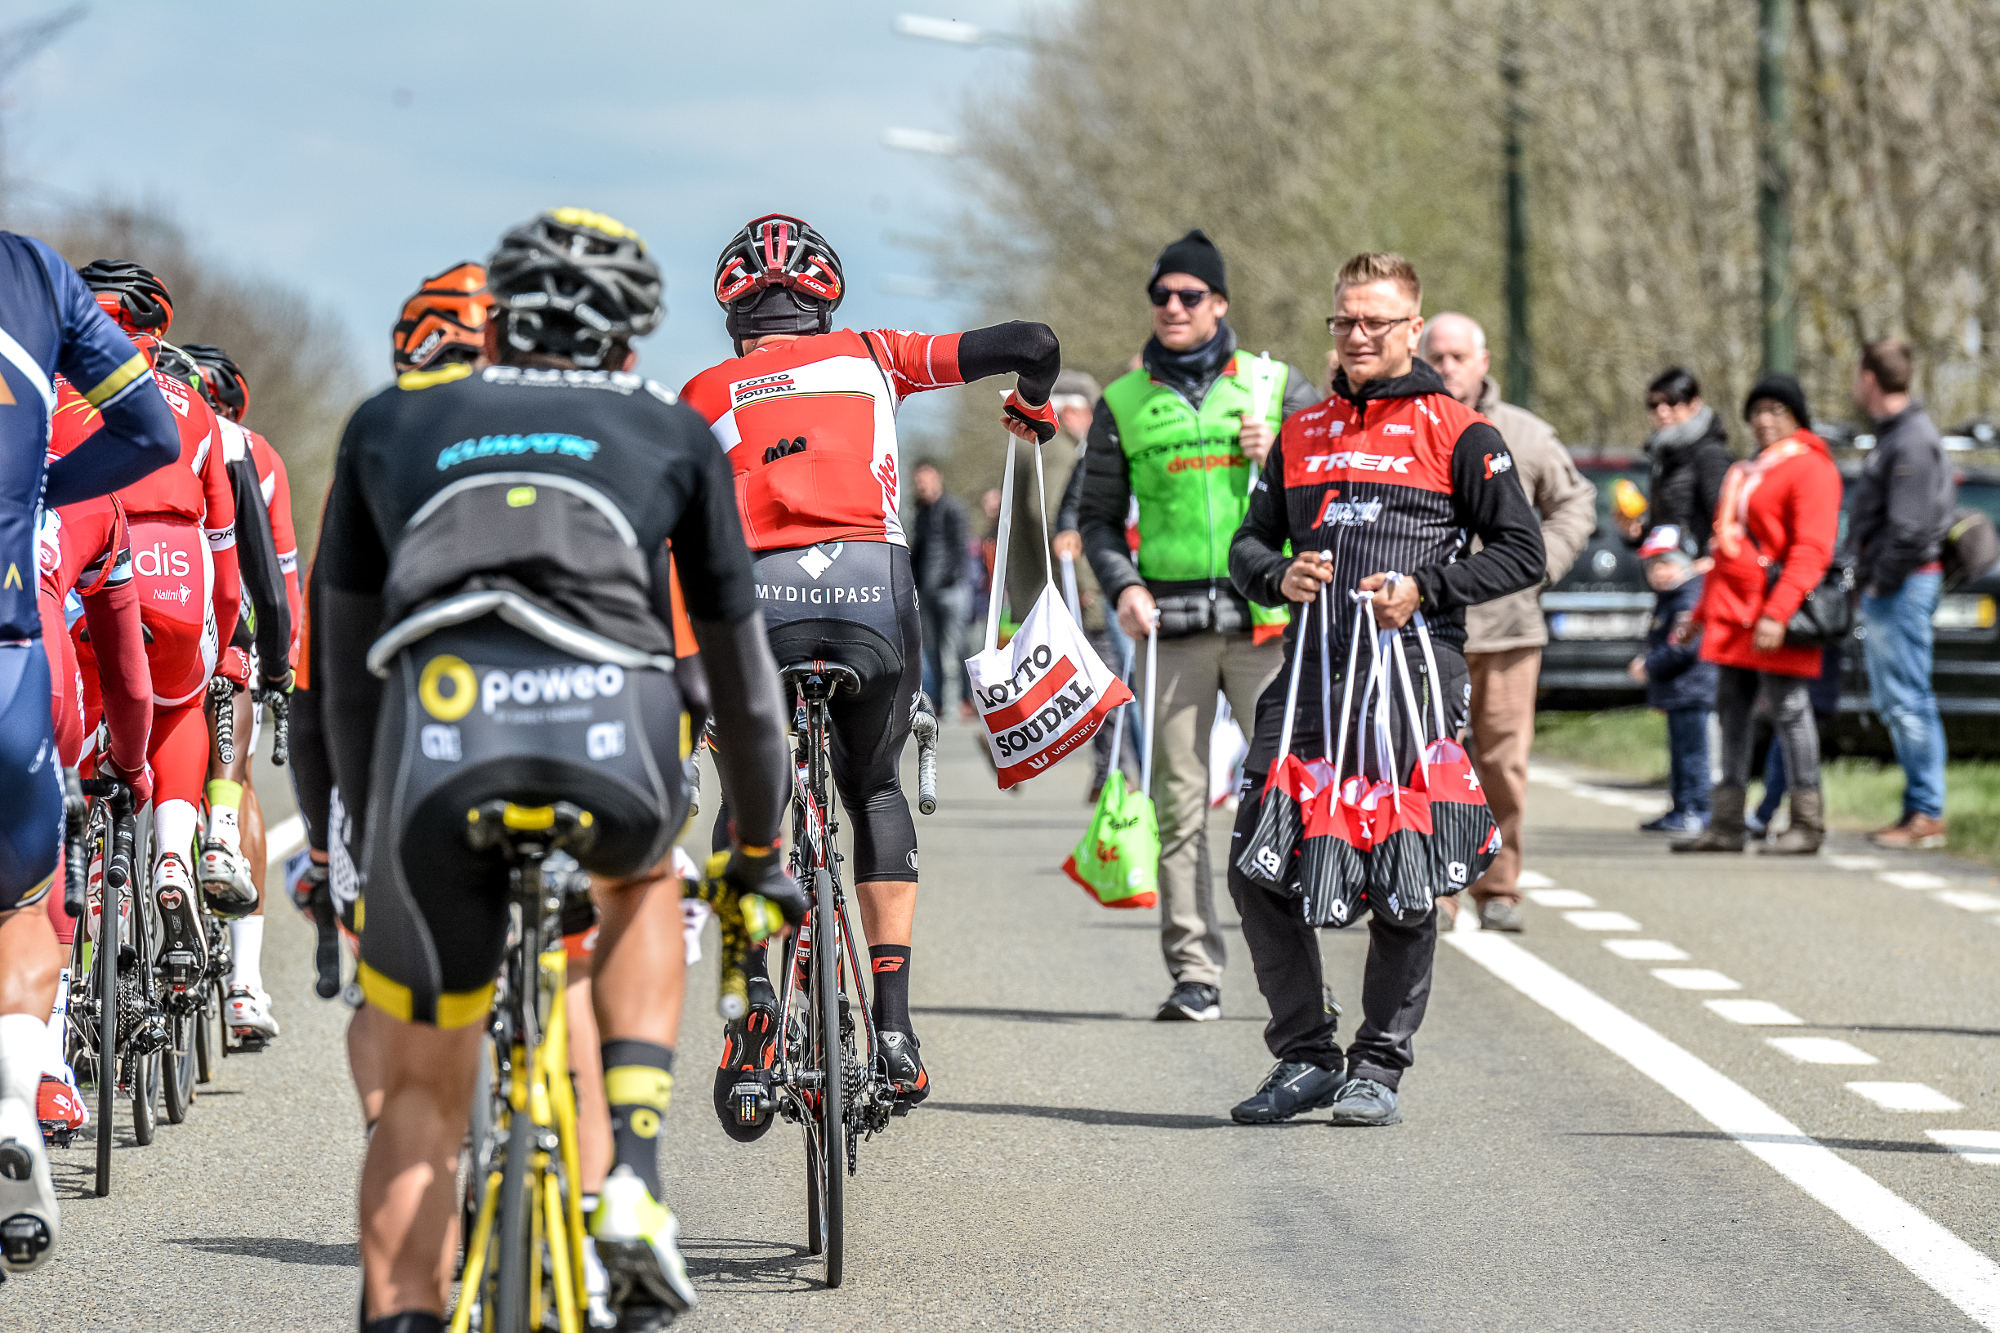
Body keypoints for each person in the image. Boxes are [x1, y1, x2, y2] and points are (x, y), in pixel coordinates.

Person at [313, 209, 800, 1332]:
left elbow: (344, 683)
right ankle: (629, 1167)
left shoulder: (391, 422)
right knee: (643, 880)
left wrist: (354, 835)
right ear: (630, 330)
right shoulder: (672, 432)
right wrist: (759, 853)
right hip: (611, 732)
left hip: (439, 749)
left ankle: (402, 1314)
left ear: (498, 317)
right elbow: (742, 681)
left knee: (425, 1100)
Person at [681, 211, 1060, 1123]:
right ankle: (893, 1028)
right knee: (874, 790)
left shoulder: (702, 392)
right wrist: (1034, 404)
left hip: (756, 606)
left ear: (736, 312)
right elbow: (1032, 343)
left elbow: (674, 532)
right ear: (825, 299)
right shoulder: (875, 354)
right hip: (872, 594)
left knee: (750, 806)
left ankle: (753, 1016)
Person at [1227, 251, 1543, 1126]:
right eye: (1344, 321)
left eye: (1376, 322)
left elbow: (1525, 552)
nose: (1358, 336)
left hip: (1408, 686)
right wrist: (1277, 575)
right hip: (1308, 689)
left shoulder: (1460, 430)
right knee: (1255, 866)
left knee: (1404, 877)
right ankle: (1305, 1053)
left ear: (1413, 329)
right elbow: (1246, 549)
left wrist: (1426, 588)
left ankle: (1378, 1063)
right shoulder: (1301, 430)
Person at [1076, 229, 1319, 1022]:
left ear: (1220, 305)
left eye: (1189, 296)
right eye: (1161, 297)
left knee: (1290, 790)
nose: (1172, 308)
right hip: (1170, 627)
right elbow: (1099, 520)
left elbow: (1333, 488)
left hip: (1268, 621)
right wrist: (1123, 587)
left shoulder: (1277, 385)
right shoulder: (1121, 402)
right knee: (1179, 805)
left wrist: (1283, 448)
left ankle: (1301, 961)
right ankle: (1193, 969)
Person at [0, 228, 179, 1275]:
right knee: (24, 905)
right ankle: (20, 1094)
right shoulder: (30, 272)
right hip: (18, 666)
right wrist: (45, 493)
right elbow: (147, 431)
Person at [54, 262, 248, 1000]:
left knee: (87, 708)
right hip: (179, 575)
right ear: (158, 330)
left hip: (89, 568)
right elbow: (227, 556)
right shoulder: (196, 407)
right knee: (177, 706)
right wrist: (223, 641)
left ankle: (69, 884)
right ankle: (173, 853)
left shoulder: (51, 390)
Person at [1418, 312, 1594, 933]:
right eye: (1435, 355)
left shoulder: (1522, 432)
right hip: (1427, 627)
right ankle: (1438, 885)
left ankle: (1500, 885)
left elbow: (1575, 502)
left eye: (1458, 356)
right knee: (1433, 761)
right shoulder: (1407, 427)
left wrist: (1540, 563)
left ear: (1483, 362)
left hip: (1509, 630)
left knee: (1500, 762)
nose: (1447, 367)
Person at [184, 342, 300, 1046]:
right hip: (232, 628)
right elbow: (279, 565)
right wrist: (281, 664)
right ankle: (245, 984)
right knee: (240, 781)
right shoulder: (249, 449)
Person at [1675, 374, 1839, 857]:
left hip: (1771, 613)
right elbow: (1728, 551)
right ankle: (1726, 823)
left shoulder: (1810, 468)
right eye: (1758, 410)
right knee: (1731, 714)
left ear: (1797, 417)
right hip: (1732, 613)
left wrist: (1778, 613)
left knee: (1789, 710)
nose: (1765, 420)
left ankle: (1807, 822)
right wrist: (1700, 613)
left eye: (1776, 410)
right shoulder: (1751, 469)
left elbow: (1812, 549)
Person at [1850, 340, 1955, 849]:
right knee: (1899, 701)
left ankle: (1927, 813)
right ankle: (1918, 808)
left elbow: (1910, 530)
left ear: (1870, 378)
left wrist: (1877, 582)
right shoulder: (1896, 436)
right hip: (1898, 584)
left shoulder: (1911, 440)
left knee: (1909, 700)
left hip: (1903, 585)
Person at [1630, 525, 1715, 834]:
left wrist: (1649, 665)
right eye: (1653, 565)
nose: (1658, 572)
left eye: (1666, 563)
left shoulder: (1687, 598)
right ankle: (1681, 808)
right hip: (1678, 691)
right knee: (1680, 755)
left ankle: (1698, 809)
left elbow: (1683, 646)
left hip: (1691, 689)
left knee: (1693, 755)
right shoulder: (1671, 597)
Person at [1619, 367, 1735, 556]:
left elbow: (1726, 522)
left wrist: (1707, 563)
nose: (1662, 411)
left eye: (1672, 401)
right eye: (1653, 404)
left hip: (1699, 575)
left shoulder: (1711, 454)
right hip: (1671, 573)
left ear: (1695, 404)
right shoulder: (1663, 457)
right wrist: (1639, 533)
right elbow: (1670, 526)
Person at [908, 460, 971, 712]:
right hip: (926, 592)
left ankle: (962, 700)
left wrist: (949, 578)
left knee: (955, 646)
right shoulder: (919, 513)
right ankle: (943, 701)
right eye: (918, 482)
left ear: (937, 479)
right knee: (932, 648)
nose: (922, 486)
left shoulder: (952, 508)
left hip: (950, 591)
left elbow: (960, 547)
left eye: (925, 480)